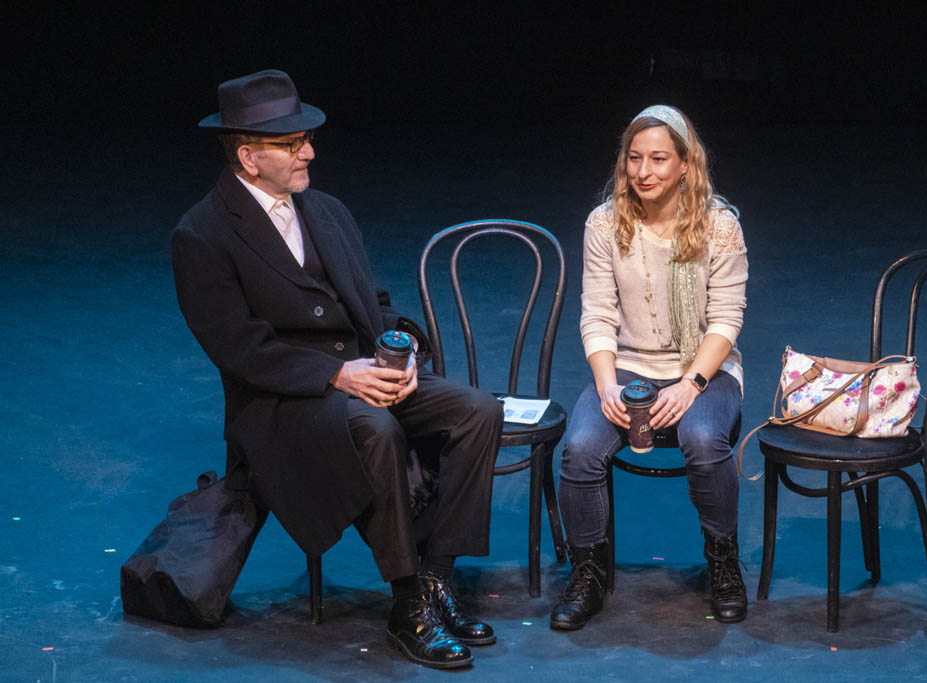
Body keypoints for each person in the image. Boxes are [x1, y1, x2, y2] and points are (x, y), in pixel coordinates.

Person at [172, 69, 504, 670]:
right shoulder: (202, 234)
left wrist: (404, 350)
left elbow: (372, 301)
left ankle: (435, 579)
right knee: (375, 429)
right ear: (248, 157)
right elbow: (238, 347)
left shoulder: (326, 211)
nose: (309, 152)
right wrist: (337, 375)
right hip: (284, 402)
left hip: (363, 375)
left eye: (307, 139)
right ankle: (407, 602)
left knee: (477, 411)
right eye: (292, 143)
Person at [550, 105, 749, 630]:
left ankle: (723, 561)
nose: (644, 171)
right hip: (629, 369)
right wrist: (606, 386)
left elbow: (727, 319)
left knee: (703, 438)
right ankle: (588, 571)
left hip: (704, 371)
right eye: (635, 158)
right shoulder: (605, 223)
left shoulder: (719, 225)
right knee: (580, 448)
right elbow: (597, 312)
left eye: (659, 159)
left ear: (685, 163)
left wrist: (690, 385)